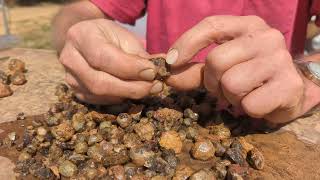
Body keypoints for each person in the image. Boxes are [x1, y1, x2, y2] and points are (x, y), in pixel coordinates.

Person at [52, 0, 320, 124]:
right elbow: (77, 11)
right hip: (158, 103)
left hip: (262, 116)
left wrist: (306, 76)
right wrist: (78, 37)